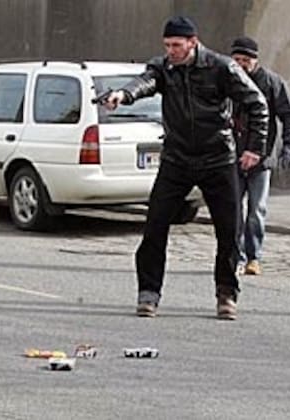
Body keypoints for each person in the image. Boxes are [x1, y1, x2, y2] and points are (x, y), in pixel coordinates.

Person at [102, 16, 268, 320]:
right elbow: (144, 83)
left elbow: (257, 103)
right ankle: (148, 293)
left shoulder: (221, 67)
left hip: (218, 158)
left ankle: (226, 293)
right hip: (177, 159)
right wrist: (122, 95)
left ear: (193, 42)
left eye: (177, 45)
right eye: (167, 45)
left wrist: (255, 149)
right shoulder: (163, 68)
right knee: (154, 226)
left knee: (229, 231)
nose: (171, 51)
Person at [230, 36, 290, 276]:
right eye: (237, 59)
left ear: (255, 60)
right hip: (232, 157)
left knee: (256, 211)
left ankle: (254, 257)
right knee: (233, 210)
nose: (241, 64)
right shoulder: (228, 80)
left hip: (262, 158)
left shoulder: (271, 82)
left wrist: (289, 146)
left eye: (245, 60)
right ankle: (235, 256)